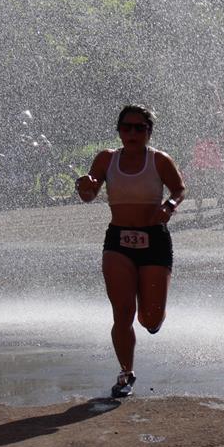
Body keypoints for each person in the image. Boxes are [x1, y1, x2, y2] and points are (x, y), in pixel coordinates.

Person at [76, 104, 185, 398]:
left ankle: (153, 321)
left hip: (154, 240)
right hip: (118, 241)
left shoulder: (159, 160)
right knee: (122, 313)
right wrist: (83, 185)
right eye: (127, 127)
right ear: (119, 131)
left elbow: (179, 189)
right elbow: (90, 193)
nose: (133, 133)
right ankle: (126, 373)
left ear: (149, 132)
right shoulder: (106, 158)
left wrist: (169, 206)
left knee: (149, 318)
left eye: (140, 128)